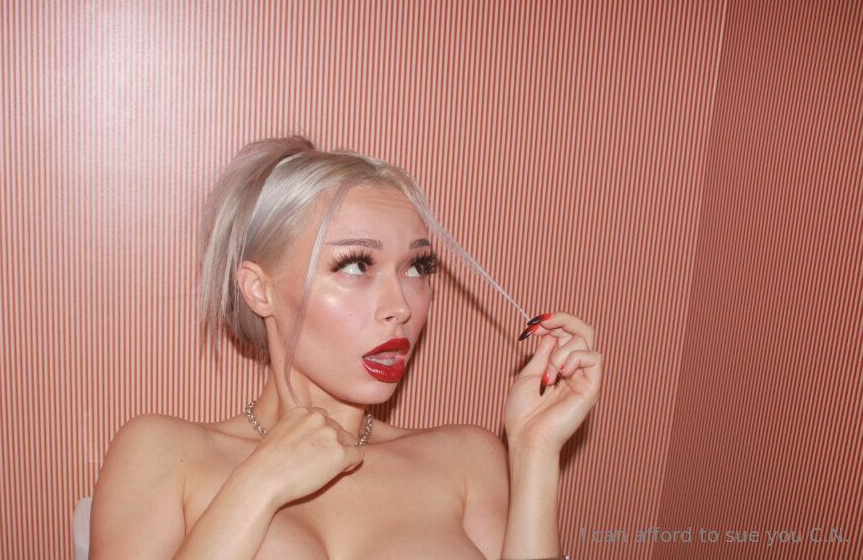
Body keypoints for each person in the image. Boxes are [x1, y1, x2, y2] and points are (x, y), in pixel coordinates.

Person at [89, 136, 602, 559]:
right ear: (259, 289)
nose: (400, 306)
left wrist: (535, 451)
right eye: (356, 265)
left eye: (417, 268)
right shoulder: (163, 454)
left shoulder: (469, 460)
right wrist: (258, 484)